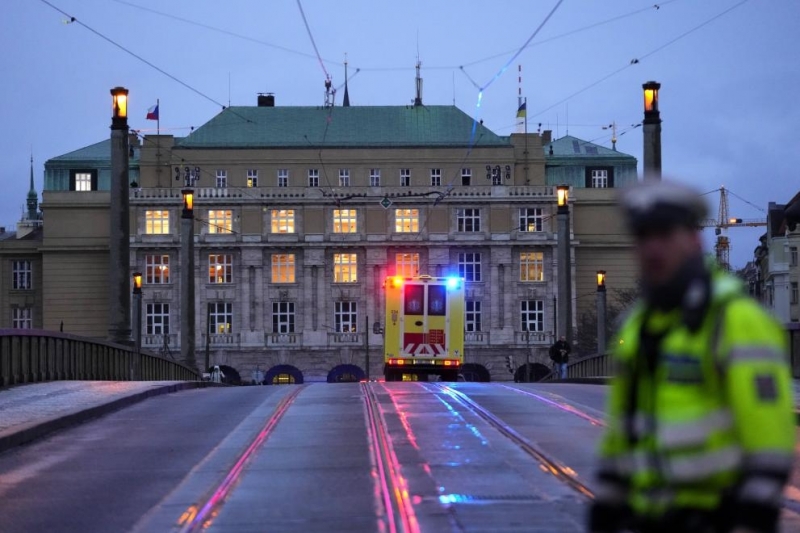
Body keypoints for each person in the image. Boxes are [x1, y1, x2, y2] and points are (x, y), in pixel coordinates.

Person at [589, 180, 795, 533]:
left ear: (693, 239)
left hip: (718, 515)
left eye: (665, 234)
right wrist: (608, 500)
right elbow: (623, 427)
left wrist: (752, 514)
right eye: (643, 236)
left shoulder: (736, 320)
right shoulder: (639, 324)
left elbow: (770, 435)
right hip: (647, 516)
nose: (653, 248)